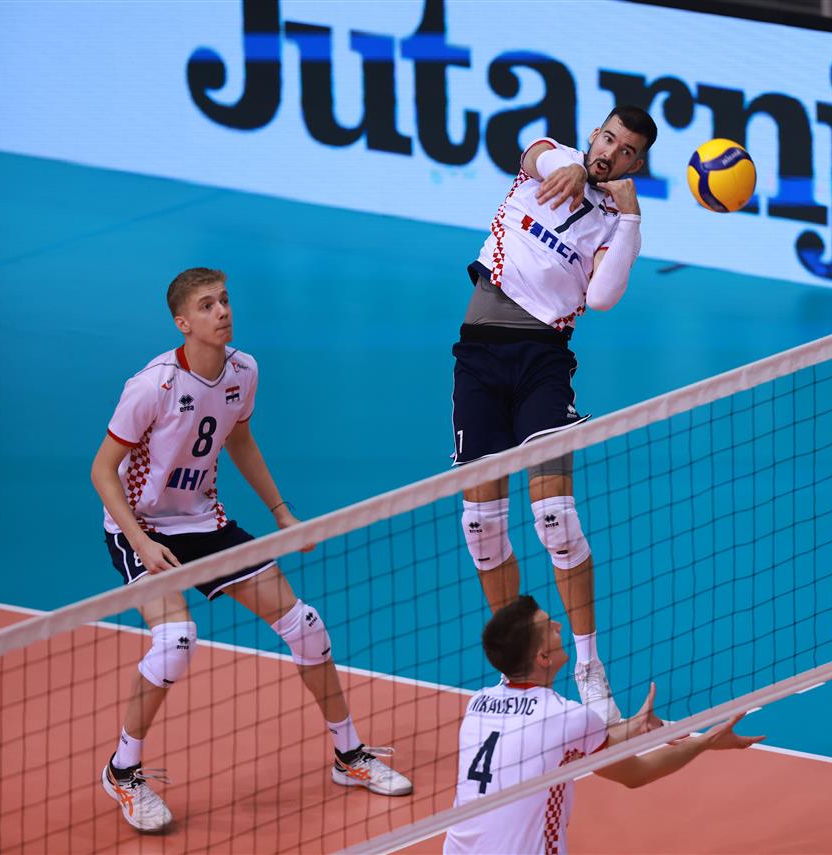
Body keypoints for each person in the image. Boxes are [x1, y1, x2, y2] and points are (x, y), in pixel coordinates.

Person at [91, 267, 411, 833]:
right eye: (207, 305)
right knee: (175, 642)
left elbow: (238, 438)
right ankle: (122, 770)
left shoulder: (243, 371)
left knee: (305, 625)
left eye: (224, 300)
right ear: (182, 322)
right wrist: (140, 541)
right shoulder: (153, 385)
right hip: (142, 526)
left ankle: (348, 755)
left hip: (203, 522)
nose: (222, 312)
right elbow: (102, 470)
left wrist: (282, 513)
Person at [453, 105, 656, 725]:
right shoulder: (553, 155)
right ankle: (518, 672)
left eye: (626, 151)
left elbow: (603, 297)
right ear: (595, 133)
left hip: (543, 360)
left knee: (555, 519)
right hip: (480, 354)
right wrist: (570, 168)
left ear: (636, 164)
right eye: (608, 139)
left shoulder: (614, 220)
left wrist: (630, 218)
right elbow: (535, 156)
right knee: (481, 527)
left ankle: (589, 668)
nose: (611, 153)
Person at [443, 595, 762, 854]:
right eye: (550, 627)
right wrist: (704, 742)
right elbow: (636, 773)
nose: (559, 625)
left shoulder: (478, 703)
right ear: (543, 658)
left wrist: (636, 727)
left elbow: (559, 741)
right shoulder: (567, 717)